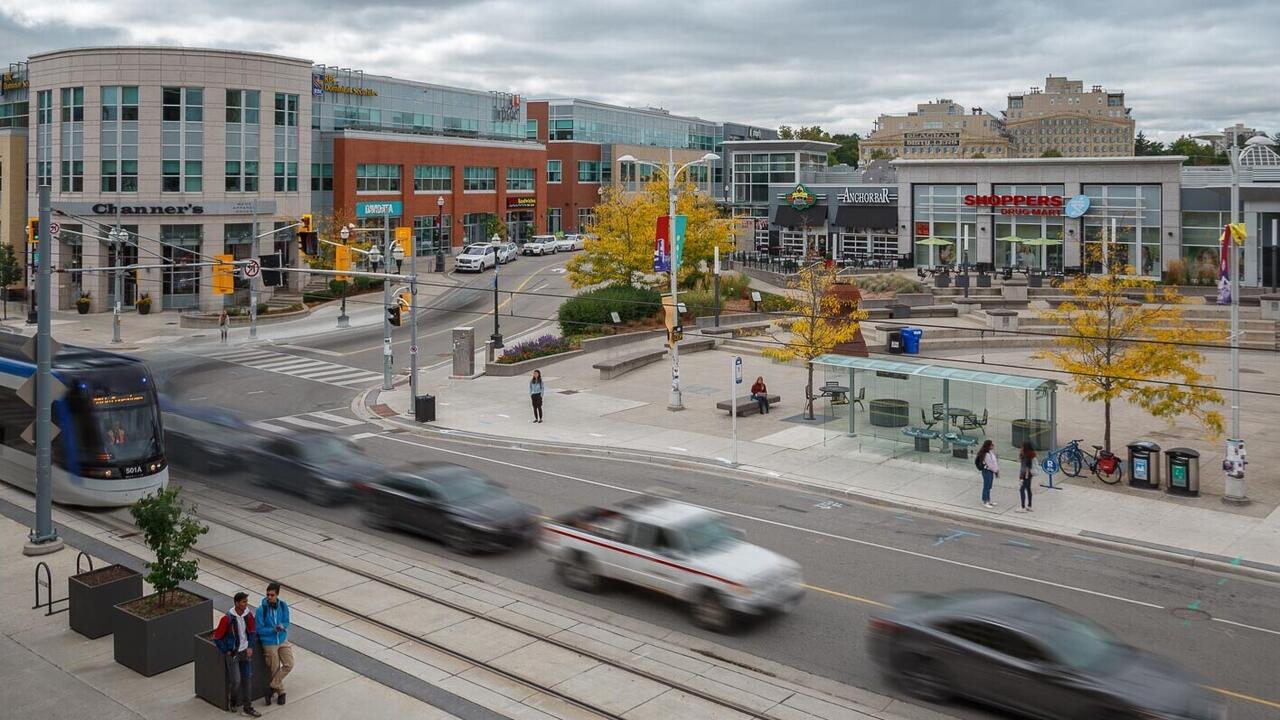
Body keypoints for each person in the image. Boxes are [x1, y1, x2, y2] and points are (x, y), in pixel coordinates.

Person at [212, 591, 261, 717]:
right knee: (236, 681)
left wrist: (250, 646)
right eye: (244, 602)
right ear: (236, 603)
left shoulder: (248, 615)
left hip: (245, 652)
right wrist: (227, 650)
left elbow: (252, 632)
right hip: (233, 654)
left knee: (247, 679)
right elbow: (217, 637)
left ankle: (248, 707)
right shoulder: (227, 619)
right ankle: (232, 701)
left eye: (246, 601)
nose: (246, 604)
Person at [256, 582, 294, 706]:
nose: (269, 597)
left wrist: (283, 626)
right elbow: (259, 629)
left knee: (289, 664)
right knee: (275, 668)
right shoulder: (261, 610)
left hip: (282, 639)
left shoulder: (283, 606)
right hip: (269, 642)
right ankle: (281, 692)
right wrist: (273, 630)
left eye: (272, 595)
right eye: (267, 595)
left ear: (277, 595)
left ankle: (271, 687)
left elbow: (286, 621)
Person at [1018, 441, 1036, 512]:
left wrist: (1022, 477)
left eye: (1022, 447)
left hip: (1025, 475)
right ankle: (1029, 505)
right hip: (1029, 475)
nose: (1021, 448)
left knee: (1022, 490)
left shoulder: (1026, 456)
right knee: (1028, 489)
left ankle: (1022, 507)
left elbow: (1025, 467)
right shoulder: (1031, 454)